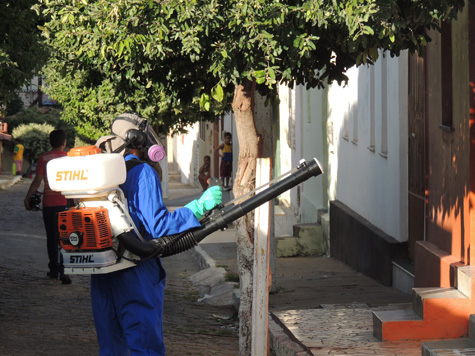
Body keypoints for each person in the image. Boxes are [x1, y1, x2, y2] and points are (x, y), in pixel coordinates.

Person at [93, 112, 222, 356]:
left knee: (112, 347)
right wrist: (196, 207)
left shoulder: (105, 174)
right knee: (144, 346)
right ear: (138, 140)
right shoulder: (142, 173)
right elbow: (157, 226)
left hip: (104, 270)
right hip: (134, 268)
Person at [24, 129, 71, 285]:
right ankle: (65, 270)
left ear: (51, 142)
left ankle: (54, 270)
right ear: (64, 143)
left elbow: (37, 180)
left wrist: (28, 197)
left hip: (49, 204)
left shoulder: (44, 158)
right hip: (66, 204)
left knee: (52, 238)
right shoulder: (69, 159)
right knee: (65, 238)